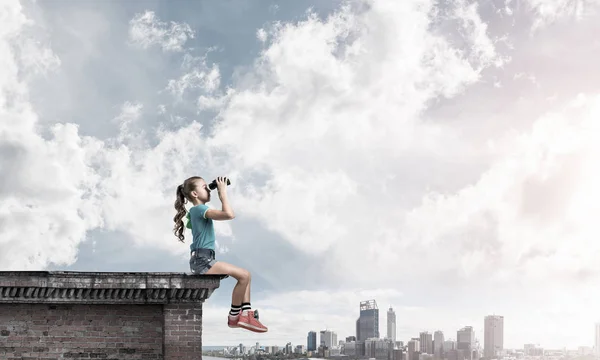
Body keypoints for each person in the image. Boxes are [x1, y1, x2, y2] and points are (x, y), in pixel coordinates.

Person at [173, 176, 268, 333]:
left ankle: (246, 315)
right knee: (243, 275)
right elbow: (229, 214)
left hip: (203, 258)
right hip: (202, 259)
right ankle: (235, 316)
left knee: (246, 275)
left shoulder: (194, 212)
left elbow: (195, 222)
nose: (208, 189)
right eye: (205, 187)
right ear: (195, 194)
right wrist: (222, 192)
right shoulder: (199, 209)